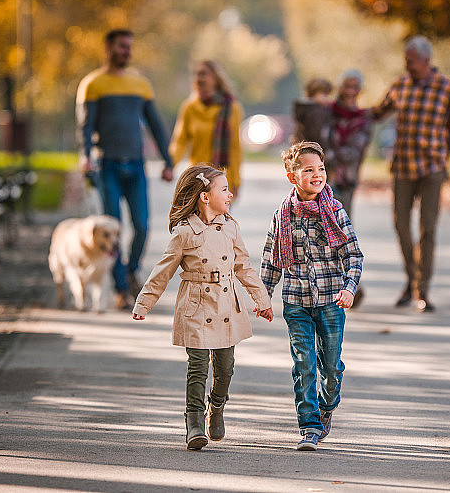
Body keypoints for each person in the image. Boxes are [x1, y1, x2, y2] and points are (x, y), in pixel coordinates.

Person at [132, 164, 273, 450]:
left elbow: (243, 267)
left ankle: (216, 405)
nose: (230, 194)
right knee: (197, 367)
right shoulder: (185, 232)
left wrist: (262, 300)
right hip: (196, 305)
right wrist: (144, 302)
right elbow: (163, 270)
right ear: (205, 197)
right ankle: (194, 422)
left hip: (225, 305)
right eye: (224, 189)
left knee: (225, 369)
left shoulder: (230, 227)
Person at [260, 141, 363, 451]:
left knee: (332, 368)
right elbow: (271, 257)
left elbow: (354, 254)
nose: (317, 175)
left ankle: (327, 404)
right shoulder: (283, 214)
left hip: (332, 300)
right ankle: (309, 427)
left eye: (321, 169)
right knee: (304, 363)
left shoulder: (335, 210)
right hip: (296, 303)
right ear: (293, 177)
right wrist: (264, 295)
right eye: (309, 170)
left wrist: (349, 287)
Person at [76, 28, 174, 308]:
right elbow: (85, 128)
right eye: (122, 47)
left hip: (136, 164)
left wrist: (167, 161)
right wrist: (85, 156)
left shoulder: (140, 84)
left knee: (142, 225)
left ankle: (130, 272)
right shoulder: (93, 84)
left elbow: (155, 124)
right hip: (106, 165)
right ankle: (121, 289)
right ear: (108, 48)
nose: (127, 52)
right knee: (111, 230)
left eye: (129, 47)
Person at [373, 35, 450, 313]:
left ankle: (421, 289)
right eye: (405, 60)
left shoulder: (447, 88)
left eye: (411, 61)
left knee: (427, 228)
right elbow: (378, 113)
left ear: (426, 61)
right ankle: (411, 279)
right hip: (403, 166)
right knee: (401, 226)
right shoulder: (400, 84)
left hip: (433, 168)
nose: (407, 65)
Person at [169, 59, 244, 200]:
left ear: (216, 78)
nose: (199, 78)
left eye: (204, 74)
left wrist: (237, 181)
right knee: (198, 221)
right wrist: (170, 164)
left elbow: (235, 147)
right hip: (198, 179)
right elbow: (180, 141)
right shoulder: (189, 108)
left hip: (223, 178)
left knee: (219, 222)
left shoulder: (232, 108)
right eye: (197, 74)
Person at [327, 69, 372, 218]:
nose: (350, 91)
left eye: (355, 87)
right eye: (347, 86)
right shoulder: (327, 112)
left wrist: (330, 155)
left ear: (360, 90)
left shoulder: (362, 119)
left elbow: (356, 150)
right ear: (340, 87)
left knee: (343, 223)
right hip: (321, 175)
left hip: (346, 179)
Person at [291, 77, 333, 146]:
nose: (327, 98)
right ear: (314, 93)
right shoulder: (313, 111)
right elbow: (316, 133)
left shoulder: (307, 109)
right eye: (324, 94)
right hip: (311, 147)